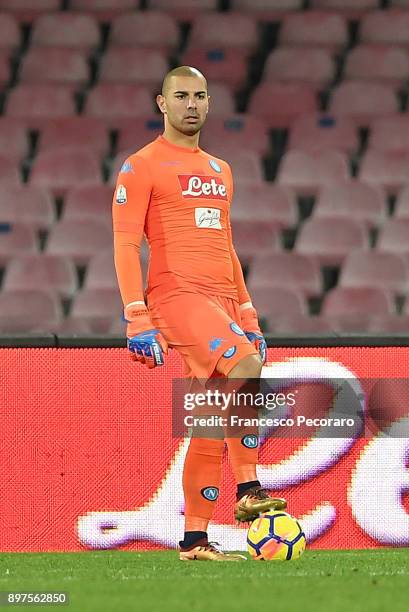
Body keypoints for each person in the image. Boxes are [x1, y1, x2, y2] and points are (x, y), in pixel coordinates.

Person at [112, 66, 286, 561]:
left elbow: (227, 248)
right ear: (161, 104)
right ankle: (249, 488)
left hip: (222, 299)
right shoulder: (140, 165)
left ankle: (194, 540)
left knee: (209, 420)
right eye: (181, 95)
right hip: (177, 296)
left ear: (209, 104)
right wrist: (137, 315)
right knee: (249, 367)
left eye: (200, 95)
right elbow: (125, 244)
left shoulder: (220, 170)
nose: (192, 103)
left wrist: (248, 315)